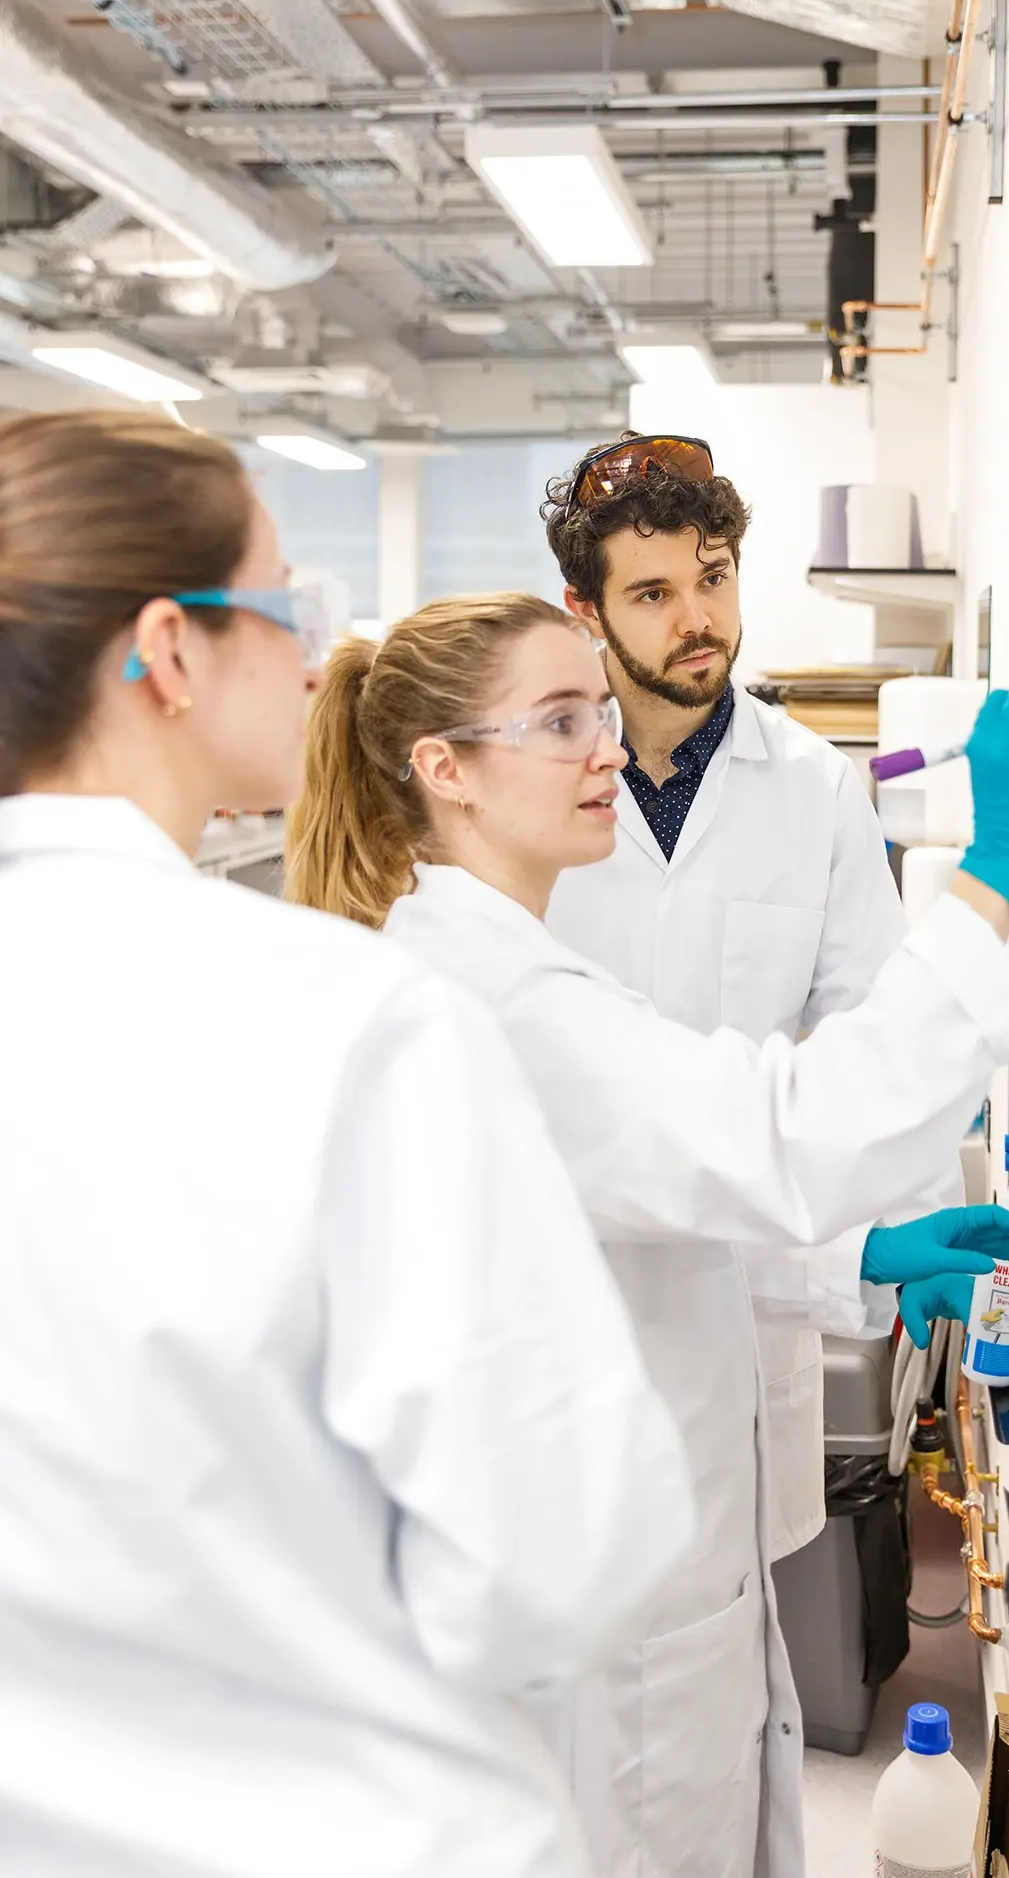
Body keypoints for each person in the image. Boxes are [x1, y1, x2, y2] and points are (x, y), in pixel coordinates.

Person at [0, 411, 695, 1878]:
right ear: (168, 653)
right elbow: (559, 1557)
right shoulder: (347, 1024)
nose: (315, 657)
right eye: (282, 606)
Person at [287, 591, 1009, 1878]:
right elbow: (773, 1132)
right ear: (444, 770)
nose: (606, 748)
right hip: (603, 1626)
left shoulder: (486, 958)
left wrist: (858, 1255)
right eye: (554, 722)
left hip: (618, 1573)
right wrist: (987, 886)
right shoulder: (495, 997)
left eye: (594, 709)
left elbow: (621, 1210)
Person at [541, 431, 913, 1575]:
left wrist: (869, 1248)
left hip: (752, 1313)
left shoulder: (813, 790)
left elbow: (864, 1055)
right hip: (564, 1308)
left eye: (712, 578)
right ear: (584, 609)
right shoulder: (524, 785)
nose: (695, 618)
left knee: (732, 1664)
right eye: (650, 593)